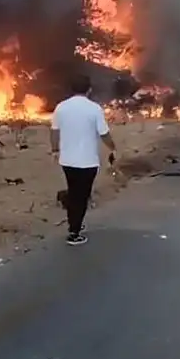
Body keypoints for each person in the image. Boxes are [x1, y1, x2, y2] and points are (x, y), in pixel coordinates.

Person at [49, 74, 116, 246]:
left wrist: (55, 149)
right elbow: (104, 133)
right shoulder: (94, 109)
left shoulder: (61, 107)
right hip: (87, 161)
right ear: (89, 89)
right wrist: (113, 147)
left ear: (71, 89)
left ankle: (75, 223)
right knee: (82, 195)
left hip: (67, 160)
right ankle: (74, 232)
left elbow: (54, 131)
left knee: (74, 192)